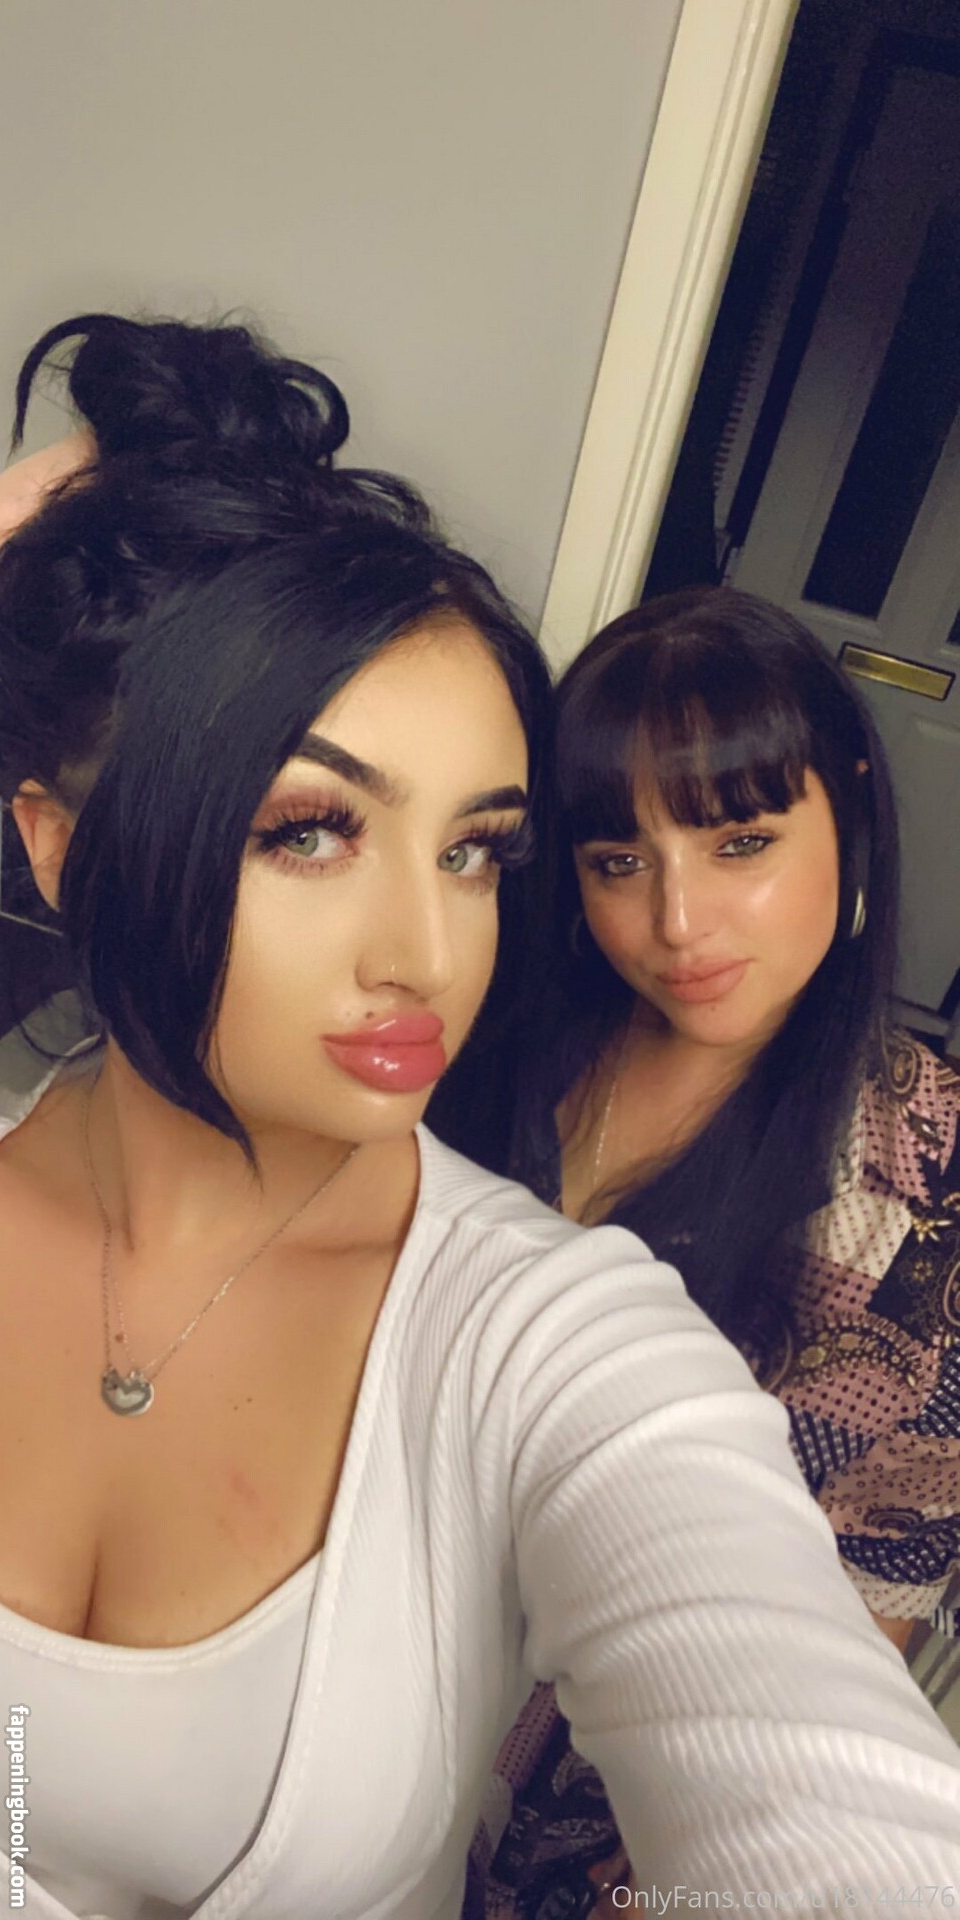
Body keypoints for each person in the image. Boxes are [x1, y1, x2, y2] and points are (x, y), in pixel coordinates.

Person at [0, 323, 959, 1920]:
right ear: (54, 844)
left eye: (470, 852)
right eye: (312, 831)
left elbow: (817, 1760)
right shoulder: (519, 1045)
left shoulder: (568, 1325)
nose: (429, 955)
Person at [468, 587, 960, 1919]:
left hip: (587, 1792)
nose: (678, 923)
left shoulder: (926, 1189)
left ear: (851, 807)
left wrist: (679, 1866)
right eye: (620, 861)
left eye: (742, 841)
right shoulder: (496, 1038)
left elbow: (884, 1568)